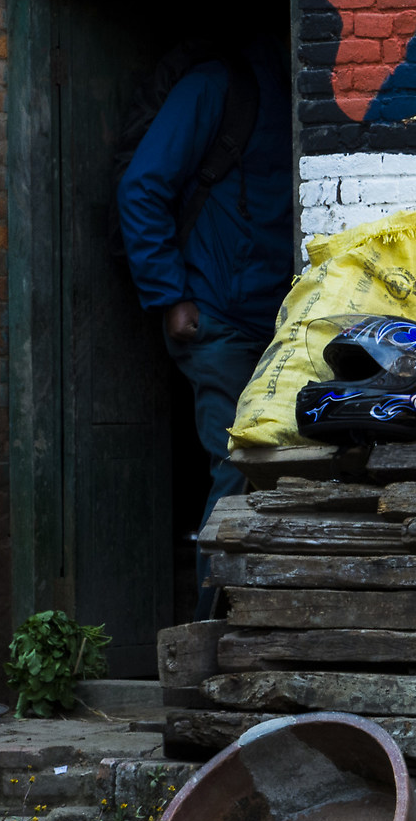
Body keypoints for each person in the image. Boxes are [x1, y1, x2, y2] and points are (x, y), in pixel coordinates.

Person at [118, 37, 296, 537]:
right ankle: (213, 613)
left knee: (287, 474)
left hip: (284, 326)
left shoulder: (305, 92)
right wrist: (170, 296)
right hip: (217, 320)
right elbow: (141, 189)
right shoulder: (218, 86)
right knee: (242, 468)